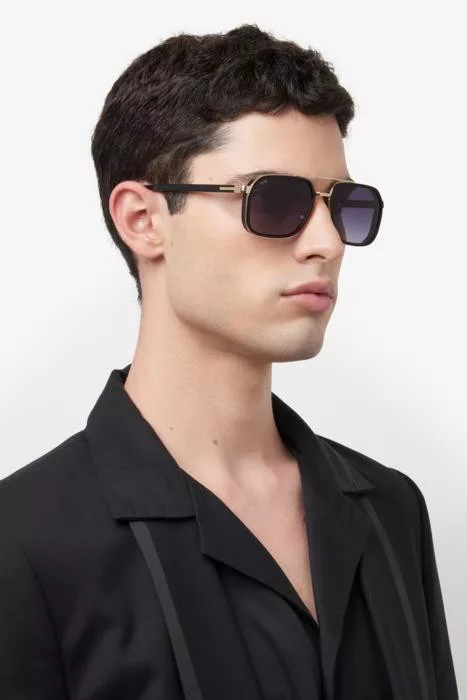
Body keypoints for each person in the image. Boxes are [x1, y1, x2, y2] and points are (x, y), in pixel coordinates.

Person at [0, 24, 458, 700]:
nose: (328, 243)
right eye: (274, 200)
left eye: (343, 206)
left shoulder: (390, 511)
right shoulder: (23, 542)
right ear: (143, 220)